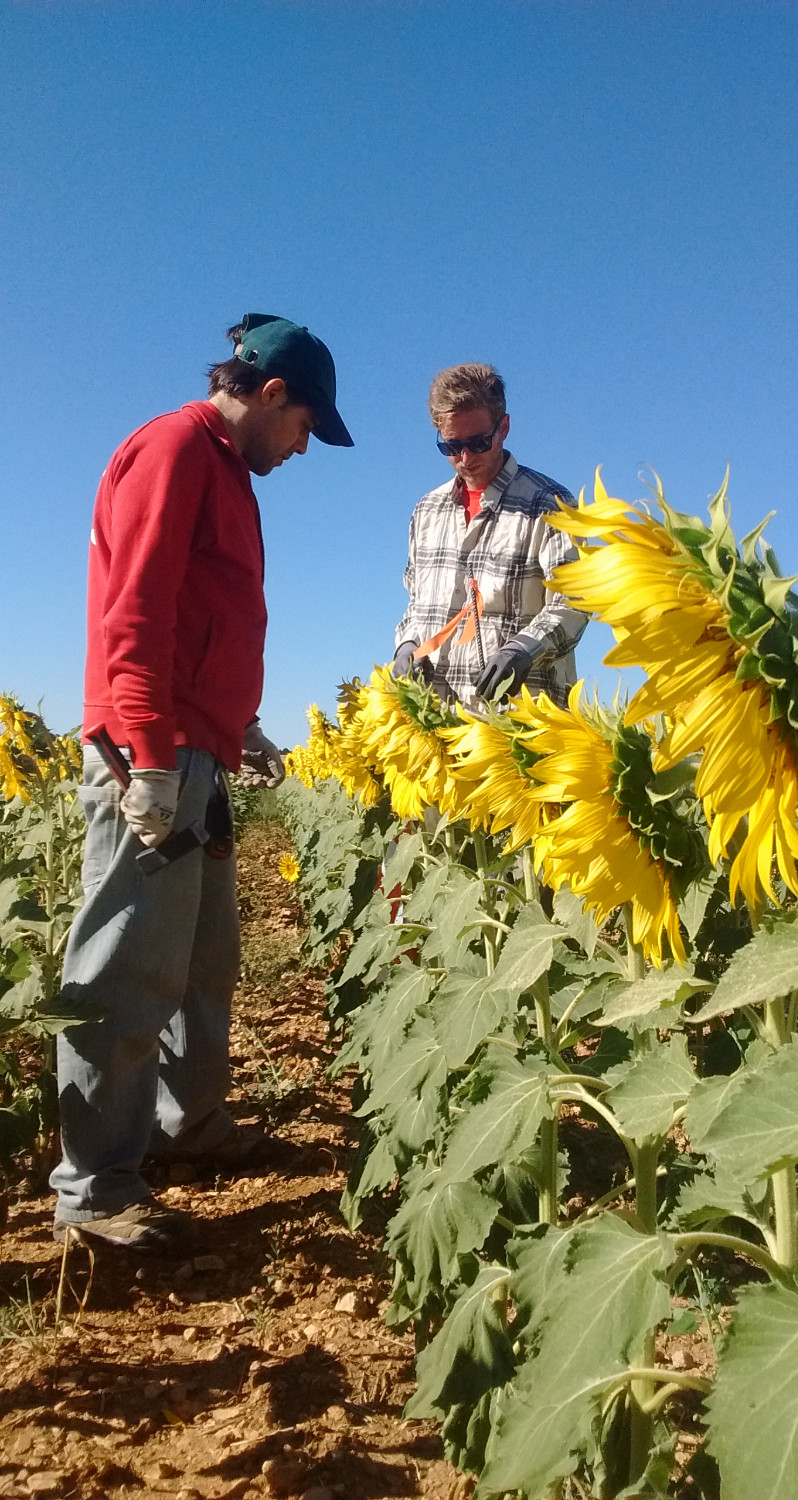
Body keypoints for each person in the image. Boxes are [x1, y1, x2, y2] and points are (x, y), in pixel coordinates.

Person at [51, 313, 353, 1251]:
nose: (303, 447)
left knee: (203, 960)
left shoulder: (226, 472)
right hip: (155, 751)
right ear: (271, 396)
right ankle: (95, 1186)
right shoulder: (176, 450)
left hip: (200, 746)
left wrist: (243, 726)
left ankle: (187, 1128)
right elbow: (134, 610)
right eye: (306, 426)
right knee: (130, 966)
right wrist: (145, 758)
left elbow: (202, 619)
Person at [393, 363, 587, 707]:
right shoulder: (426, 511)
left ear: (505, 427)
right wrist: (407, 645)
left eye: (479, 443)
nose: (465, 459)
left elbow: (575, 603)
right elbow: (416, 604)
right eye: (451, 447)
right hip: (441, 728)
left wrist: (523, 650)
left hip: (523, 727)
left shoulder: (551, 506)